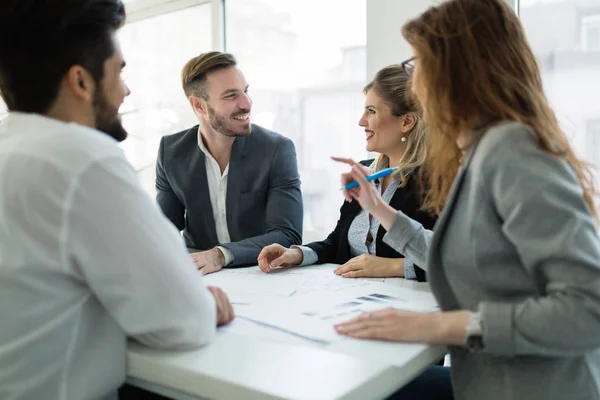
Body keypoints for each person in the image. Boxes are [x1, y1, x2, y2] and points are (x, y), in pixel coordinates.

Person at [333, 1, 600, 399]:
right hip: (485, 379)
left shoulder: (513, 151)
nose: (413, 81)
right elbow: (461, 256)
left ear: (455, 73)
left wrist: (440, 327)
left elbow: (588, 311)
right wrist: (379, 209)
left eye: (417, 63)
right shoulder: (480, 150)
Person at [0, 1, 233, 399]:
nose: (126, 91)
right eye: (119, 71)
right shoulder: (81, 159)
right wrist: (206, 305)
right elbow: (183, 321)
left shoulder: (11, 148)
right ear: (81, 82)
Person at [257, 66, 436, 281]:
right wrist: (295, 254)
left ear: (406, 122)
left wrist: (393, 267)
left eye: (371, 111)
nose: (361, 121)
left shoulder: (436, 183)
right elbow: (337, 243)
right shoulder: (365, 172)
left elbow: (452, 259)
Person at [156, 51, 303, 275]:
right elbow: (161, 230)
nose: (247, 104)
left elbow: (287, 234)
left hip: (259, 273)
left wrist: (221, 254)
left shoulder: (276, 150)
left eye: (245, 91)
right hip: (201, 277)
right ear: (199, 106)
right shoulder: (171, 152)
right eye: (231, 96)